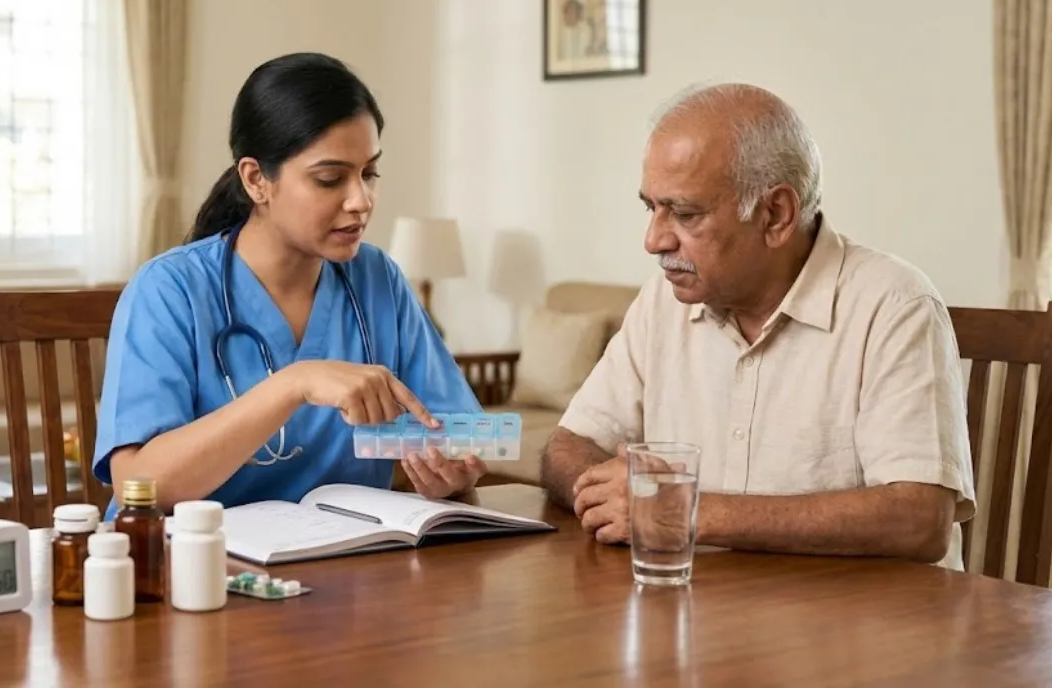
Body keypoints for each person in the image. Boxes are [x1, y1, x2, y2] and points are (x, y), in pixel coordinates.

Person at [541, 82, 977, 569]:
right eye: (651, 207)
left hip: (864, 629)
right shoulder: (661, 302)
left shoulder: (894, 304)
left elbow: (918, 519)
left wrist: (680, 509)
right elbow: (567, 446)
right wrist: (617, 495)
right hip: (708, 610)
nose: (654, 240)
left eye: (685, 214)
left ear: (776, 214)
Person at [92, 52, 486, 518]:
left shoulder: (378, 280)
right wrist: (294, 384)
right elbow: (140, 484)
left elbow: (459, 433)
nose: (361, 200)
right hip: (190, 572)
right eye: (329, 179)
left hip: (344, 570)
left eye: (369, 173)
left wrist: (453, 471)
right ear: (257, 180)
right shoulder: (169, 290)